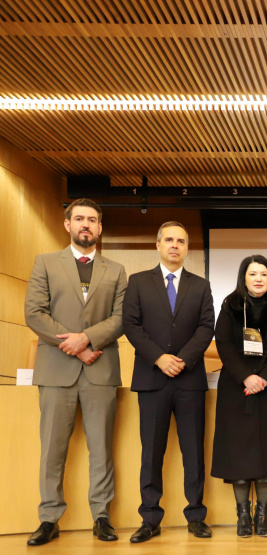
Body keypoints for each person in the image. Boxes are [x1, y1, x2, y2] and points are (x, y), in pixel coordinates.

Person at [24, 198, 127, 546]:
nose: (86, 224)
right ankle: (49, 519)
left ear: (100, 228)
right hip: (56, 370)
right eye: (79, 218)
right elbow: (34, 313)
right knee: (52, 448)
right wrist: (73, 344)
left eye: (93, 220)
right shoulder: (45, 263)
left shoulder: (116, 270)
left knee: (102, 448)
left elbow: (121, 318)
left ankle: (102, 517)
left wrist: (87, 339)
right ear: (67, 224)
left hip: (101, 369)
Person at [122, 221, 215, 543]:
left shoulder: (200, 286)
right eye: (169, 240)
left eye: (181, 241)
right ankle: (150, 518)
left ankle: (196, 516)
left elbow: (206, 328)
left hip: (189, 380)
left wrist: (183, 360)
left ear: (187, 248)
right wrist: (159, 358)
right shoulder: (137, 282)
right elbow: (131, 326)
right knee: (151, 453)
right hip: (151, 378)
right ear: (158, 245)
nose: (175, 245)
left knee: (193, 451)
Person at [212, 255, 267, 538]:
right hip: (237, 388)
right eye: (253, 274)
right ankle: (243, 515)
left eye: (264, 274)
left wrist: (264, 378)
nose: (258, 279)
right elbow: (223, 344)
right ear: (243, 278)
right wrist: (246, 376)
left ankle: (263, 514)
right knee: (239, 454)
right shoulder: (230, 306)